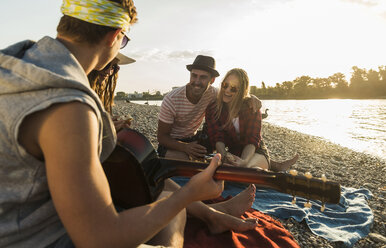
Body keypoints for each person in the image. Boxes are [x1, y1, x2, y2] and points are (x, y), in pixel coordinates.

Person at [0, 1, 258, 248]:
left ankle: (211, 215)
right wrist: (188, 194)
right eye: (123, 40)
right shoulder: (68, 104)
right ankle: (208, 214)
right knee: (173, 209)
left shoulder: (14, 63)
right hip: (36, 239)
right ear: (114, 37)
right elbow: (99, 240)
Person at [157, 55, 262, 161]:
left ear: (212, 80)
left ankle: (263, 160)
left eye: (203, 77)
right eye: (194, 76)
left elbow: (234, 94)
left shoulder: (213, 93)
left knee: (210, 153)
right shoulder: (171, 100)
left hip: (195, 139)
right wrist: (185, 147)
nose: (197, 81)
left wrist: (251, 98)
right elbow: (161, 137)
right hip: (172, 143)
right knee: (189, 162)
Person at [206, 68, 298, 171]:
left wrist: (244, 161)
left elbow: (252, 140)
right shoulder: (213, 108)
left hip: (255, 152)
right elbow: (217, 137)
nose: (227, 90)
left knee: (246, 170)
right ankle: (277, 166)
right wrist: (223, 156)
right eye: (225, 85)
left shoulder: (252, 108)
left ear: (242, 91)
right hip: (234, 153)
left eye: (233, 88)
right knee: (228, 169)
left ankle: (273, 166)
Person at [88, 53, 134, 131]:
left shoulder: (99, 94)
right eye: (106, 64)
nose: (109, 72)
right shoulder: (78, 93)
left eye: (114, 67)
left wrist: (109, 121)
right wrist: (106, 128)